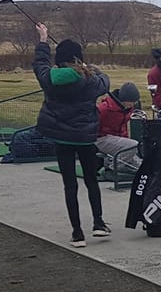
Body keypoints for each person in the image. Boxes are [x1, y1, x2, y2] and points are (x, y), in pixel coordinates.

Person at [32, 23, 110, 248]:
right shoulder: (91, 80)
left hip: (62, 138)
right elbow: (105, 82)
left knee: (70, 185)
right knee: (91, 180)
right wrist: (91, 68)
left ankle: (77, 233)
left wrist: (43, 40)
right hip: (85, 137)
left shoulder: (50, 78)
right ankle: (98, 223)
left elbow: (40, 64)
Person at [96, 82, 144, 173]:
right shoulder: (104, 108)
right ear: (124, 99)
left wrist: (125, 140)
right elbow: (92, 125)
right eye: (132, 102)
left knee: (140, 165)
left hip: (115, 139)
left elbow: (123, 127)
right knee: (133, 145)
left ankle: (111, 162)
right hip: (100, 138)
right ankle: (112, 169)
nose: (133, 104)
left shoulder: (127, 109)